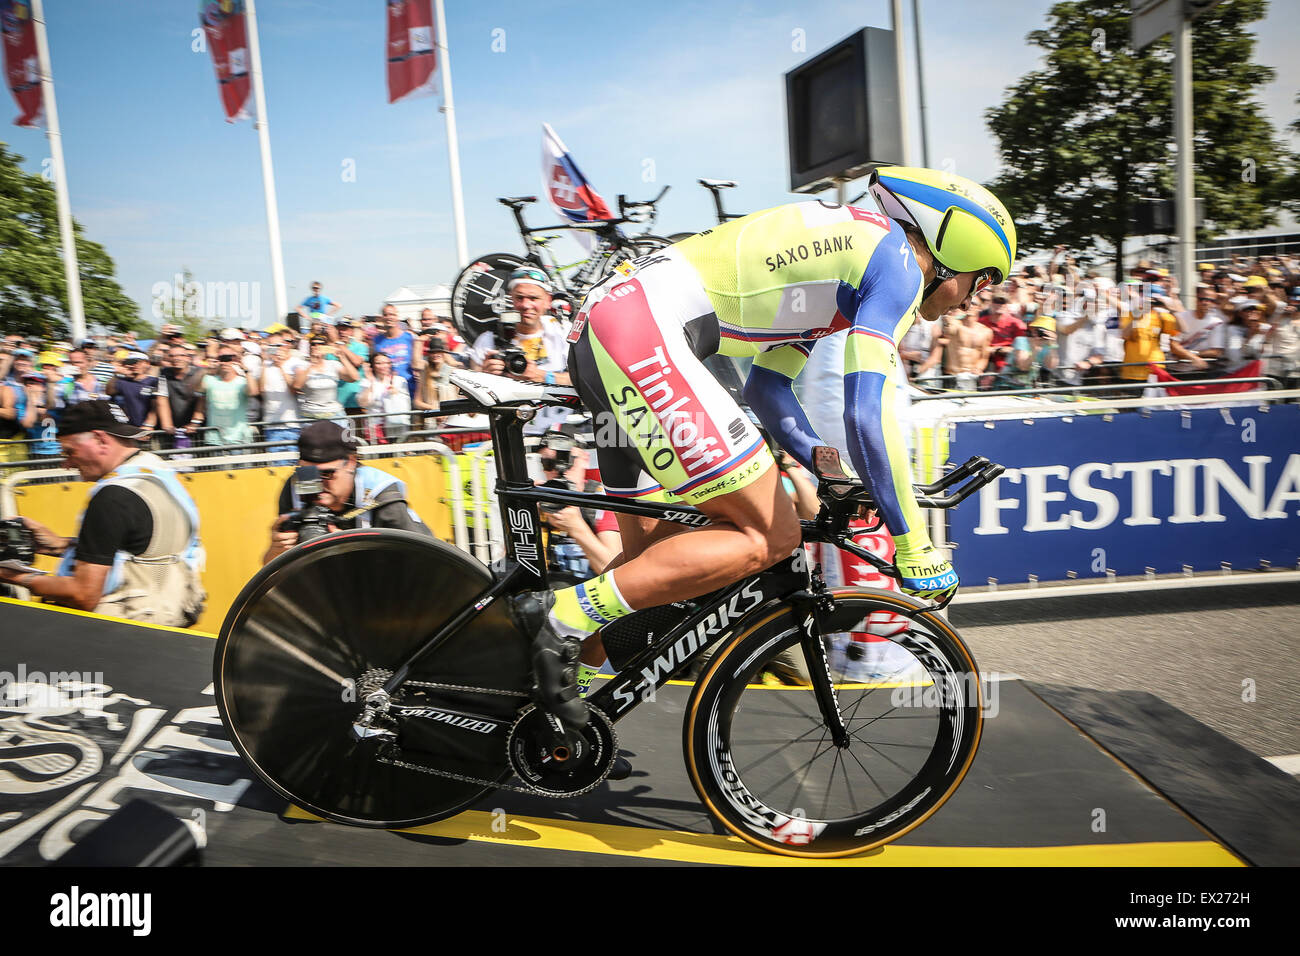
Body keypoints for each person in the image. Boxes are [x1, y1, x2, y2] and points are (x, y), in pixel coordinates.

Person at [508, 165, 1016, 745]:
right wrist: (914, 545)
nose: (975, 298)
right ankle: (555, 619)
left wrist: (829, 469)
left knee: (645, 569)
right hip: (640, 328)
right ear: (953, 247)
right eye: (981, 279)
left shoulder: (843, 272)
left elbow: (768, 388)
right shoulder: (899, 264)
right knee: (771, 535)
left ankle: (553, 726)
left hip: (611, 328)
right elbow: (867, 415)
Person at [0, 401, 205, 626]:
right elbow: (138, 549)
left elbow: (83, 595)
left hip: (124, 634)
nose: (66, 464)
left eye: (69, 452)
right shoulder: (160, 473)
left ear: (100, 439)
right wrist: (60, 545)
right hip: (171, 617)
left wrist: (13, 575)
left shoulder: (112, 496)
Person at [262, 421, 433, 564]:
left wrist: (355, 550)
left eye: (327, 473)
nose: (316, 482)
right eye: (307, 473)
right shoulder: (293, 487)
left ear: (351, 462)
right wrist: (275, 551)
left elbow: (425, 562)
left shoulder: (379, 495)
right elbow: (273, 573)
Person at [196, 348, 259, 447]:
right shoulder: (209, 379)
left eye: (229, 358)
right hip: (215, 439)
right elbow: (196, 390)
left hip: (240, 439)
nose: (225, 362)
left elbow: (253, 392)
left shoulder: (242, 381)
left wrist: (245, 370)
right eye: (221, 358)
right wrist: (206, 368)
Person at [358, 352, 411, 444]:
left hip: (395, 423)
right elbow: (363, 403)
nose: (383, 366)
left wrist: (395, 394)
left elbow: (406, 402)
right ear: (373, 366)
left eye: (387, 363)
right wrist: (371, 383)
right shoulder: (366, 382)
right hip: (375, 426)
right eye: (379, 363)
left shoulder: (399, 380)